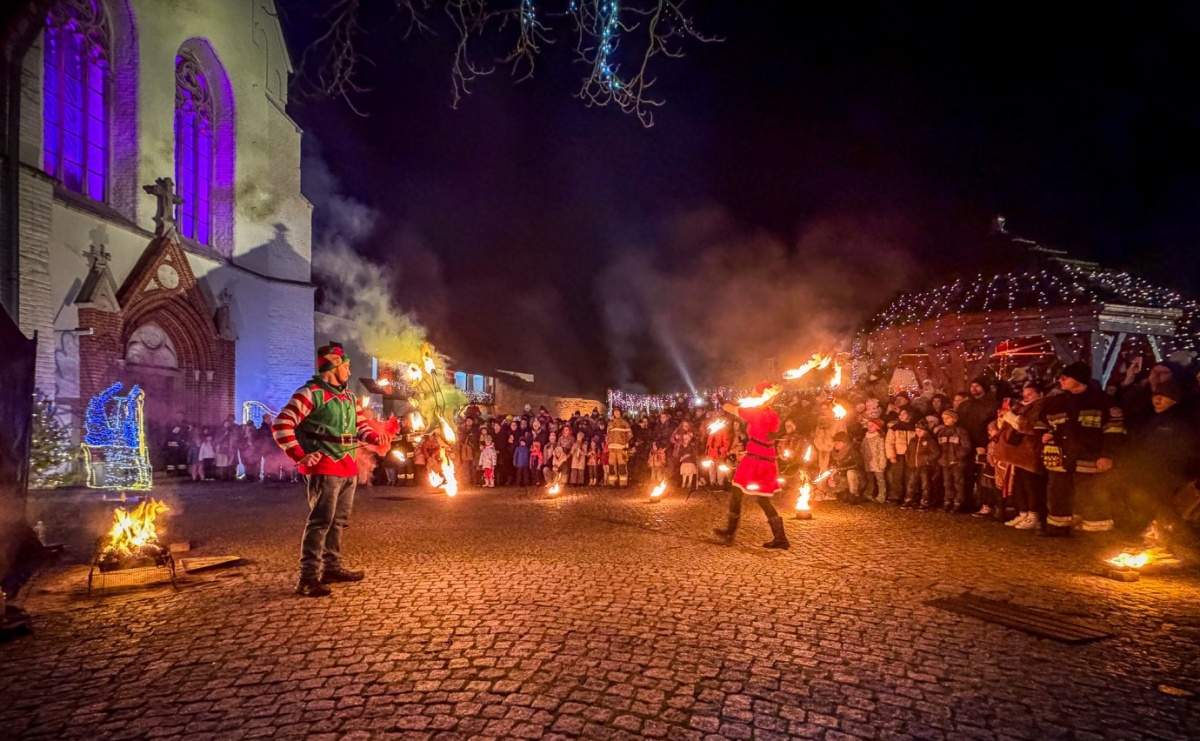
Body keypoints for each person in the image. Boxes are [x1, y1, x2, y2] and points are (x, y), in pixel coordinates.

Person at [272, 344, 391, 597]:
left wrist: (375, 437)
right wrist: (301, 455)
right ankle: (307, 577)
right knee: (320, 522)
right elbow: (282, 424)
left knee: (338, 522)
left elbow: (361, 427)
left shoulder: (349, 397)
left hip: (347, 467)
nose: (349, 372)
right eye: (346, 367)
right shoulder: (311, 393)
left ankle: (331, 568)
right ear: (332, 365)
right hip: (324, 466)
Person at [1038, 361, 1125, 536]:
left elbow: (1115, 431)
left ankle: (1096, 530)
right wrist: (1046, 435)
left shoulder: (1103, 402)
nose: (1060, 380)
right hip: (1060, 457)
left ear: (1079, 378)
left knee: (1091, 493)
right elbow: (1042, 423)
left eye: (1065, 377)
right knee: (1057, 493)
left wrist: (1107, 455)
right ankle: (1057, 527)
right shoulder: (1056, 402)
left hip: (1089, 457)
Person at [712, 382, 789, 549]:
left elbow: (730, 408)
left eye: (754, 394)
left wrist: (719, 398)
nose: (752, 397)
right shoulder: (774, 414)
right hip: (768, 460)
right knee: (762, 499)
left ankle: (730, 533)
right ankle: (780, 537)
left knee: (737, 493)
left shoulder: (754, 413)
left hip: (754, 460)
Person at [935, 409, 971, 512]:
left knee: (958, 483)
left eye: (947, 418)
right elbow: (938, 447)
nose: (945, 420)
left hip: (957, 462)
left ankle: (958, 502)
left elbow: (966, 446)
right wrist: (941, 458)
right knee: (947, 483)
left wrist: (957, 456)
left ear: (954, 419)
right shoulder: (941, 432)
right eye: (943, 418)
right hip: (945, 462)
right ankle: (947, 501)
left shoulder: (960, 432)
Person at [902, 419, 940, 509]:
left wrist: (926, 460)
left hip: (924, 466)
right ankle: (909, 500)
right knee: (911, 483)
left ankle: (925, 501)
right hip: (913, 466)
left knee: (925, 484)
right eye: (916, 430)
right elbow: (908, 451)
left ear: (925, 431)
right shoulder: (913, 441)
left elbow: (936, 453)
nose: (918, 432)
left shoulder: (930, 441)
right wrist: (908, 459)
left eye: (920, 430)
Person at [861, 418, 888, 503]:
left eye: (872, 425)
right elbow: (862, 448)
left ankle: (881, 496)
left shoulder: (879, 437)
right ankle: (869, 493)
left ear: (878, 427)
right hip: (868, 462)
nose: (869, 427)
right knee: (870, 479)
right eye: (868, 426)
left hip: (877, 462)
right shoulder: (866, 437)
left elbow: (882, 451)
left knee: (880, 480)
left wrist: (882, 462)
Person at [606, 407, 633, 486]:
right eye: (615, 412)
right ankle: (612, 482)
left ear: (620, 413)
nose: (616, 413)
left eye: (618, 412)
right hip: (612, 448)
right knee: (611, 465)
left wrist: (625, 442)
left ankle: (623, 483)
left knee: (622, 465)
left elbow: (630, 434)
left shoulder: (624, 423)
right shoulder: (610, 423)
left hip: (621, 447)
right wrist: (608, 443)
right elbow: (607, 434)